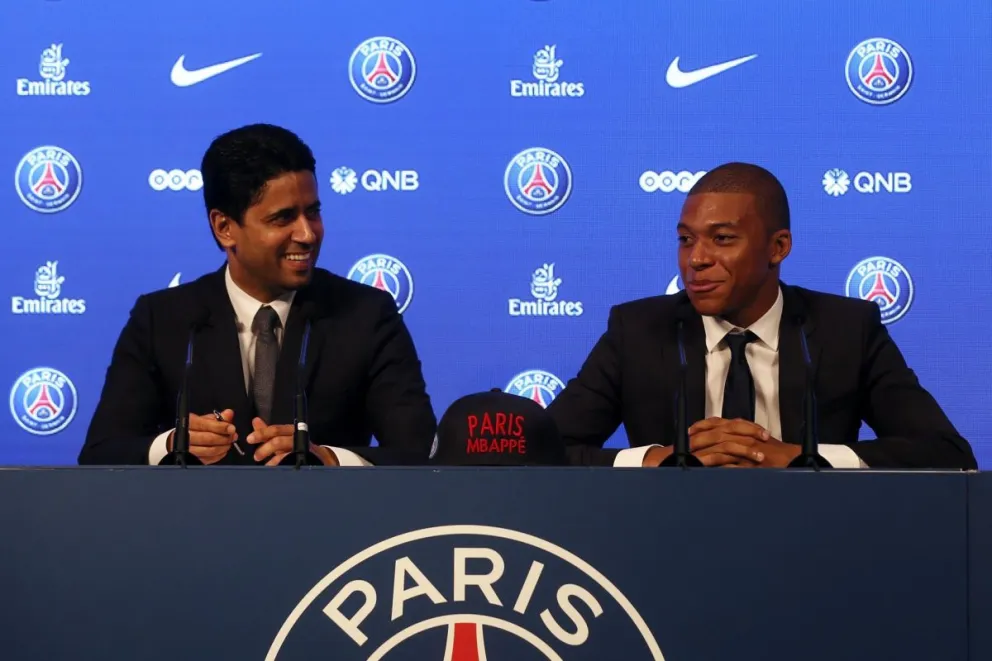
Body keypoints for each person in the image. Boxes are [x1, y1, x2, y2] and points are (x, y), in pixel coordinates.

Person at [547, 162, 976, 470]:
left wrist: (803, 458)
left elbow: (945, 452)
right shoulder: (639, 331)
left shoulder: (846, 329)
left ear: (778, 247)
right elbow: (547, 449)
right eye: (685, 239)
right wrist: (657, 458)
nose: (695, 259)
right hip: (668, 541)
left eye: (722, 238)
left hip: (811, 546)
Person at [79, 123, 436, 466]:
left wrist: (330, 459)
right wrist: (171, 445)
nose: (308, 234)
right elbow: (101, 454)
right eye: (283, 219)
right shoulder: (163, 320)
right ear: (224, 228)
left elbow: (420, 454)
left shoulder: (365, 315)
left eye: (312, 213)